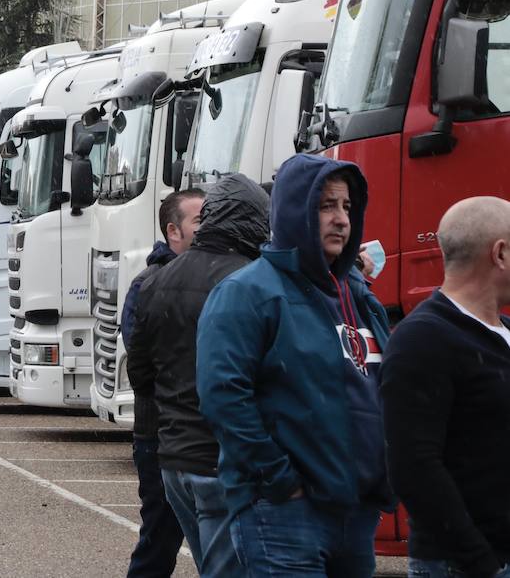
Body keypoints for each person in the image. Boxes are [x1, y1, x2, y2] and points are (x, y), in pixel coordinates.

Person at [198, 154, 392, 578]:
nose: (341, 219)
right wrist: (278, 477)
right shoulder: (247, 292)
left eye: (346, 207)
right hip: (284, 513)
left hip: (356, 512)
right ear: (293, 211)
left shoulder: (357, 295)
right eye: (325, 206)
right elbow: (223, 395)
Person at [127, 178, 264, 578]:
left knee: (187, 554)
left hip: (175, 456)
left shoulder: (154, 281)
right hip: (221, 458)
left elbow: (140, 373)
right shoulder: (252, 279)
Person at [382, 196, 510, 578]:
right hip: (465, 565)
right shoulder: (423, 339)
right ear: (500, 254)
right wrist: (480, 563)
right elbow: (413, 468)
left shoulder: (504, 332)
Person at [119, 187, 205, 578]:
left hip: (197, 436)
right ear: (174, 231)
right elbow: (142, 363)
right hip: (159, 434)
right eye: (199, 221)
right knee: (160, 536)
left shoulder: (215, 276)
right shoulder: (148, 284)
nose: (209, 229)